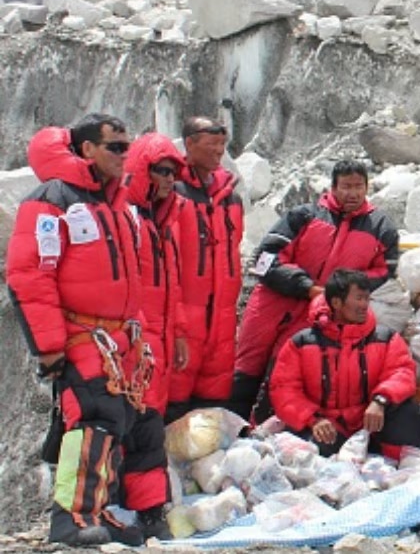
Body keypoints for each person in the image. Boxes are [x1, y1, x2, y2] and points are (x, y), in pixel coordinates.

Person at [5, 115, 154, 546]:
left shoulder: (116, 204)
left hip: (116, 339)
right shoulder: (53, 200)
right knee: (90, 422)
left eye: (128, 146)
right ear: (87, 150)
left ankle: (97, 510)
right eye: (116, 147)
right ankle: (71, 519)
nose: (125, 156)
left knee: (114, 422)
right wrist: (50, 347)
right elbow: (30, 275)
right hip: (81, 335)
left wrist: (137, 332)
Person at [232, 159, 399, 422]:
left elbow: (384, 270)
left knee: (285, 373)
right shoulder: (304, 215)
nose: (352, 193)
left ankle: (264, 433)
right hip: (272, 303)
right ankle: (232, 426)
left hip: (321, 312)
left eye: (358, 186)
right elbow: (265, 257)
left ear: (367, 188)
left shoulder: (381, 228)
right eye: (345, 186)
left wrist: (341, 291)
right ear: (332, 187)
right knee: (245, 368)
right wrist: (305, 286)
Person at [270, 269, 420, 458]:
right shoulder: (301, 343)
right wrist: (313, 420)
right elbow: (284, 389)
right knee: (310, 454)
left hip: (371, 424)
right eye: (359, 298)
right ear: (336, 302)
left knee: (411, 415)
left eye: (367, 299)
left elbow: (402, 372)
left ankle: (393, 465)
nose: (365, 305)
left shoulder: (386, 338)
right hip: (327, 427)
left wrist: (380, 401)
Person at [120, 132, 192, 540]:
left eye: (173, 173)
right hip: (136, 339)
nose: (169, 180)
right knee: (137, 424)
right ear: (141, 171)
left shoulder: (158, 221)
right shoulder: (129, 217)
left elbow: (172, 287)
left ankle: (144, 510)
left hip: (156, 339)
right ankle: (139, 511)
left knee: (148, 423)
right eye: (161, 171)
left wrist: (178, 333)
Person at [168, 116, 244, 422]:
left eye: (222, 145)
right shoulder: (172, 192)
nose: (218, 151)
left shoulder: (231, 199)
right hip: (186, 318)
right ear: (189, 144)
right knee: (172, 404)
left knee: (211, 409)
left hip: (222, 319)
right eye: (211, 144)